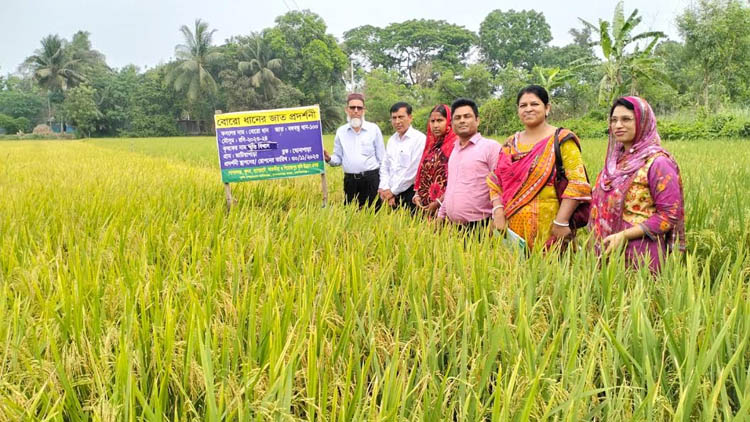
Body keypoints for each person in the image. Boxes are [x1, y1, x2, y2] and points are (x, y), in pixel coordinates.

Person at [487, 85, 591, 249]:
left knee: (551, 272)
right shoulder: (510, 143)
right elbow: (495, 180)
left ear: (547, 108)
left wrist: (561, 221)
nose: (528, 109)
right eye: (523, 105)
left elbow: (578, 183)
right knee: (513, 272)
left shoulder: (561, 139)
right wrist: (498, 211)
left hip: (551, 228)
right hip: (511, 229)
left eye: (534, 104)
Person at [589, 96, 685, 272]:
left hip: (641, 255)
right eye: (614, 120)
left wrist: (624, 235)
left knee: (639, 299)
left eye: (626, 119)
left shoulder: (657, 163)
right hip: (607, 252)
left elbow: (669, 215)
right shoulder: (613, 162)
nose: (618, 125)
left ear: (643, 122)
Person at [436, 98, 501, 231]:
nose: (462, 121)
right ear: (452, 123)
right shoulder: (454, 150)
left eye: (467, 116)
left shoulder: (490, 147)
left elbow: (500, 185)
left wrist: (497, 218)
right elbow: (451, 186)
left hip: (482, 225)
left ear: (477, 120)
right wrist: (441, 214)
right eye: (457, 118)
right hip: (453, 226)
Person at [324, 93, 385, 208]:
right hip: (350, 181)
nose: (356, 111)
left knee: (373, 214)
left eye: (359, 108)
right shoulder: (341, 132)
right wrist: (329, 159)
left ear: (363, 110)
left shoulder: (373, 129)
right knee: (351, 215)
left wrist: (383, 184)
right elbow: (338, 158)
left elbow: (382, 159)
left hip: (371, 180)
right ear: (347, 110)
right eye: (352, 107)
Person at [378, 102, 426, 211]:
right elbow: (385, 166)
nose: (397, 121)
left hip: (410, 194)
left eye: (401, 117)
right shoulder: (392, 140)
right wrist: (385, 188)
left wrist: (393, 192)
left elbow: (413, 171)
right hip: (390, 196)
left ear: (410, 118)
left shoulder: (419, 139)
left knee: (411, 226)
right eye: (394, 118)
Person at [412, 104, 457, 217]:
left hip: (446, 207)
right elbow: (423, 173)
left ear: (450, 121)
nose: (435, 125)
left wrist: (439, 202)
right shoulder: (431, 146)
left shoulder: (456, 145)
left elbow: (456, 180)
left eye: (440, 120)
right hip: (425, 206)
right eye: (432, 121)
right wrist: (417, 195)